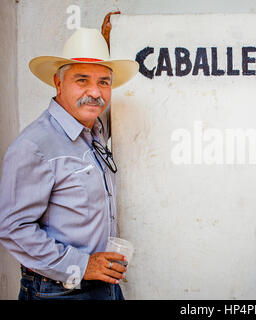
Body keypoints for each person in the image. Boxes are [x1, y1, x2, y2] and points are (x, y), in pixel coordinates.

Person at [0, 26, 138, 300]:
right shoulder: (35, 146)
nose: (95, 92)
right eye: (82, 80)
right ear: (58, 83)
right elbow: (13, 228)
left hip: (104, 284)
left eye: (104, 82)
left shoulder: (94, 127)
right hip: (58, 290)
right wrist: (83, 264)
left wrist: (112, 37)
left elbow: (97, 102)